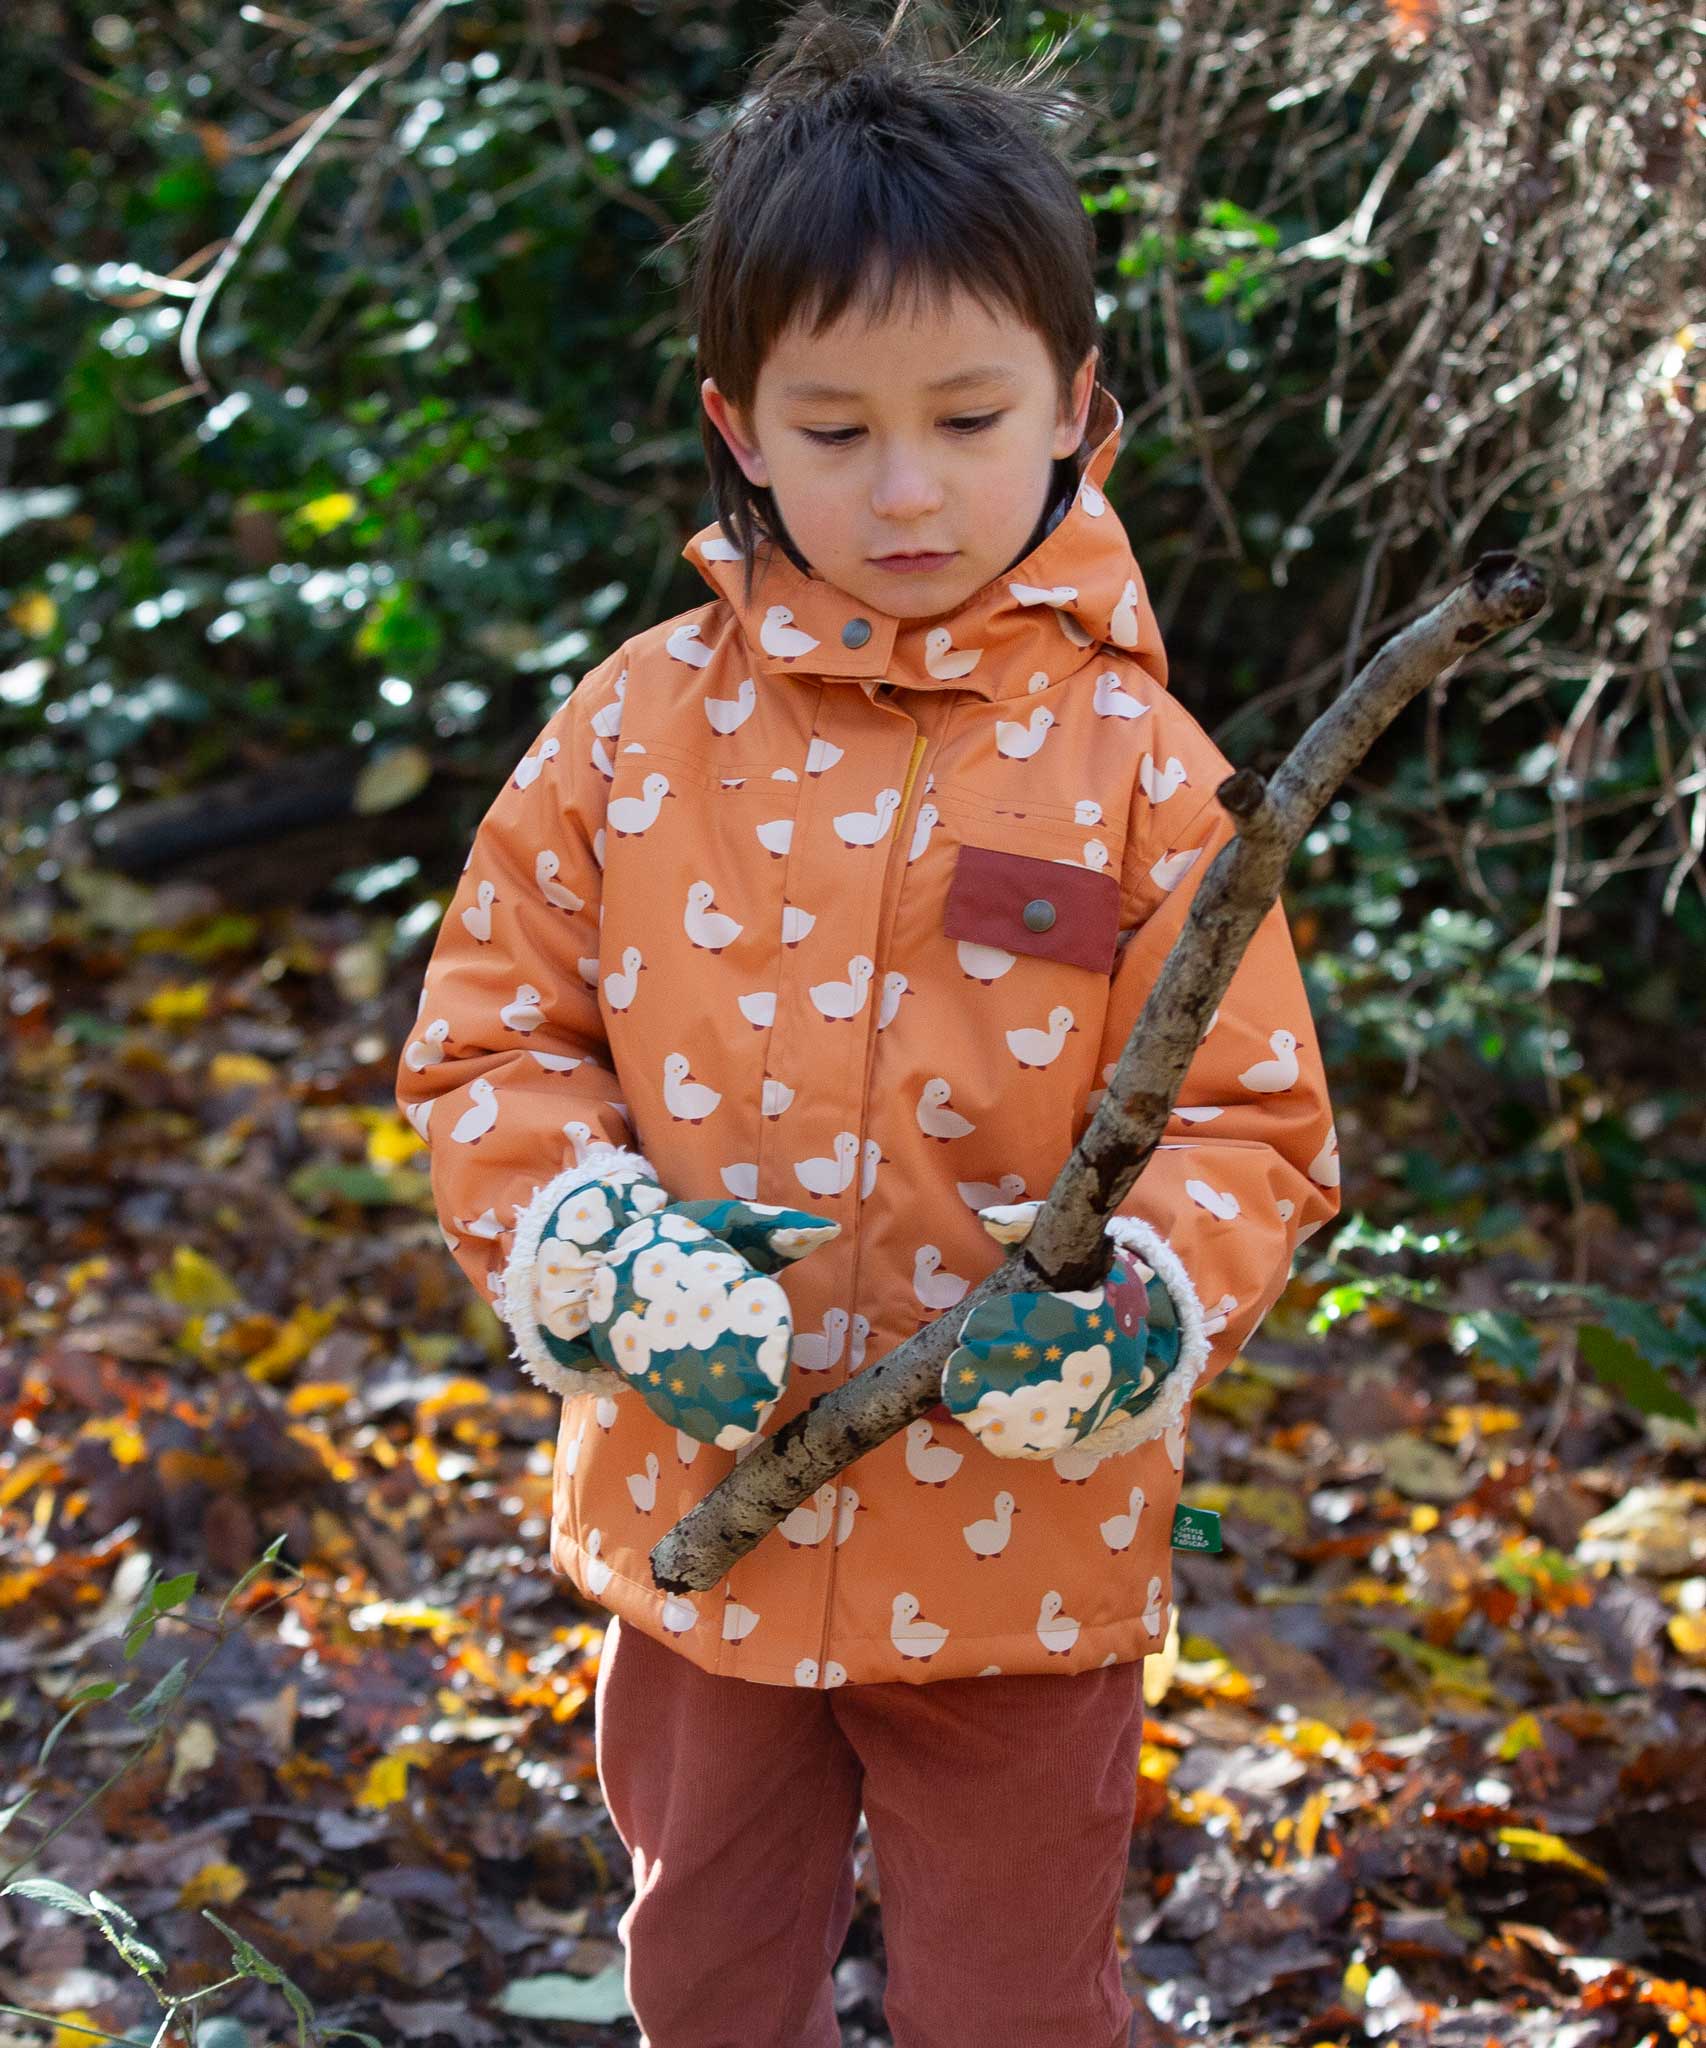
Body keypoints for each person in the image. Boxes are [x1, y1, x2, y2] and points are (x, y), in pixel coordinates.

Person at [394, 5, 1340, 2042]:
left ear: (1075, 405)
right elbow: (491, 1038)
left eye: (968, 418)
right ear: (738, 423)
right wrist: (589, 1242)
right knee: (706, 1967)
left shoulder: (1142, 775)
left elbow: (1252, 1119)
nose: (906, 490)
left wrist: (1139, 1314)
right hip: (696, 1521)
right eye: (834, 433)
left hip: (1019, 1550)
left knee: (1015, 1993)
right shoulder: (638, 733)